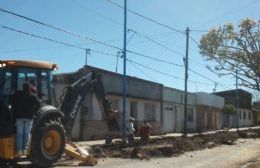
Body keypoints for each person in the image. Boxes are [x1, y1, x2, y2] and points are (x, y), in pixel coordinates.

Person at [11, 83, 40, 157]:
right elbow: (39, 103)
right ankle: (25, 150)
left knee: (19, 134)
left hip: (19, 117)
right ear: (29, 88)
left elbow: (12, 101)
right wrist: (34, 111)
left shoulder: (18, 95)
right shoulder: (32, 96)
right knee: (27, 133)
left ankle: (19, 150)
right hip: (29, 117)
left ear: (22, 87)